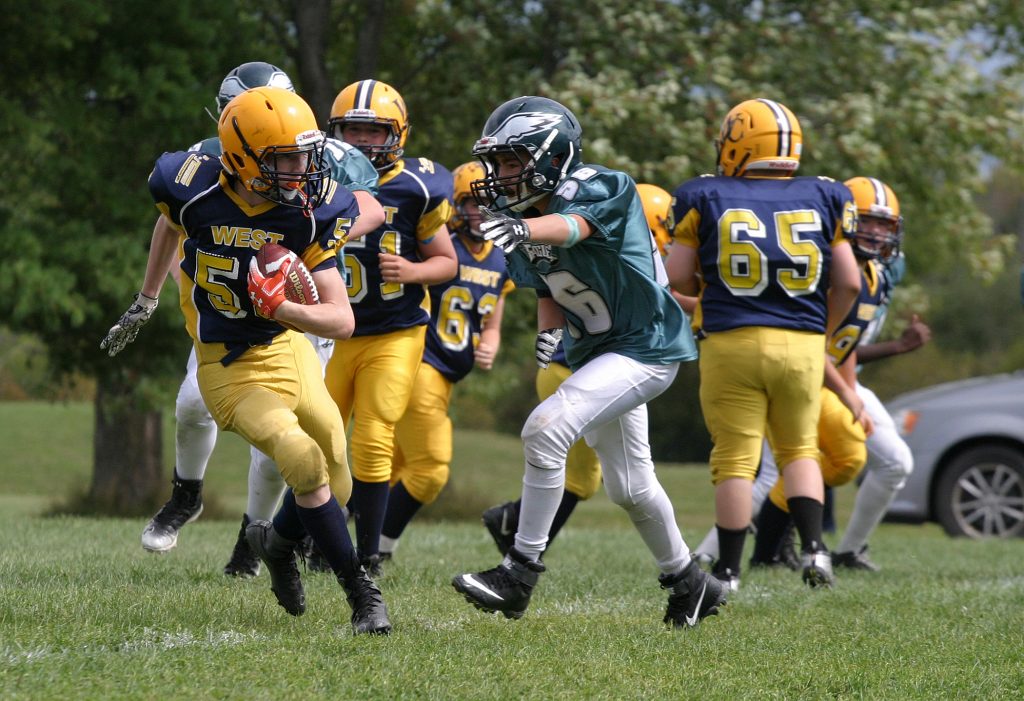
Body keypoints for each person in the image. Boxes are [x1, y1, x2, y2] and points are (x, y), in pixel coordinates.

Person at [101, 86, 391, 635]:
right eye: (286, 158)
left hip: (287, 348)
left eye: (305, 156)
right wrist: (147, 298)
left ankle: (277, 544)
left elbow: (341, 318)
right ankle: (362, 594)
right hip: (228, 366)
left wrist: (282, 308)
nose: (301, 170)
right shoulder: (188, 189)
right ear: (242, 156)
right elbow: (168, 222)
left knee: (335, 467)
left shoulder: (308, 213)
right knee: (301, 458)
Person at [451, 96, 725, 628]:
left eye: (511, 162)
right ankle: (691, 582)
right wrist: (550, 334)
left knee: (544, 430)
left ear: (550, 157)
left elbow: (571, 229)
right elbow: (548, 282)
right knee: (630, 486)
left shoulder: (600, 186)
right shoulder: (521, 215)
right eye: (498, 164)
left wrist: (527, 230)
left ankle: (519, 573)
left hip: (644, 346)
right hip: (599, 352)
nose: (500, 176)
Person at [665, 97, 862, 591]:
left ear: (738, 142)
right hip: (800, 344)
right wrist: (821, 329)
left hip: (731, 341)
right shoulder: (827, 195)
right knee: (799, 450)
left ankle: (728, 573)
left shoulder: (702, 196)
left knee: (735, 458)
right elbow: (851, 283)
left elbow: (676, 278)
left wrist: (705, 301)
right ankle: (817, 553)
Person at [479, 181, 674, 556]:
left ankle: (684, 573)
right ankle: (519, 545)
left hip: (599, 367)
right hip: (579, 369)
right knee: (581, 475)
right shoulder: (610, 249)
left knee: (623, 482)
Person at [325, 79, 458, 576]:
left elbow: (446, 262)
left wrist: (415, 272)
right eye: (351, 131)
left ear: (398, 134)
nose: (360, 142)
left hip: (396, 330)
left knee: (374, 435)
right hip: (335, 331)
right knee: (320, 437)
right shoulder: (321, 180)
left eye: (372, 132)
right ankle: (305, 535)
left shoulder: (417, 186)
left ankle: (367, 555)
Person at [379, 161, 514, 559]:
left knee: (390, 469)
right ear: (455, 204)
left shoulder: (501, 255)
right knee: (429, 470)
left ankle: (327, 542)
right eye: (473, 202)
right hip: (421, 363)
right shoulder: (440, 245)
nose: (482, 212)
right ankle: (377, 550)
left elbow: (493, 313)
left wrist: (491, 338)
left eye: (491, 202)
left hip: (446, 374)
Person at [830, 176, 928, 570]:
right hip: (802, 378)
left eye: (884, 225)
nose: (875, 233)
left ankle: (848, 550)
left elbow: (845, 347)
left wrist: (852, 390)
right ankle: (708, 556)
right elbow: (822, 348)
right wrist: (850, 393)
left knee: (895, 462)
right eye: (867, 221)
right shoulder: (829, 269)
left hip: (840, 378)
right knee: (768, 473)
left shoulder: (876, 273)